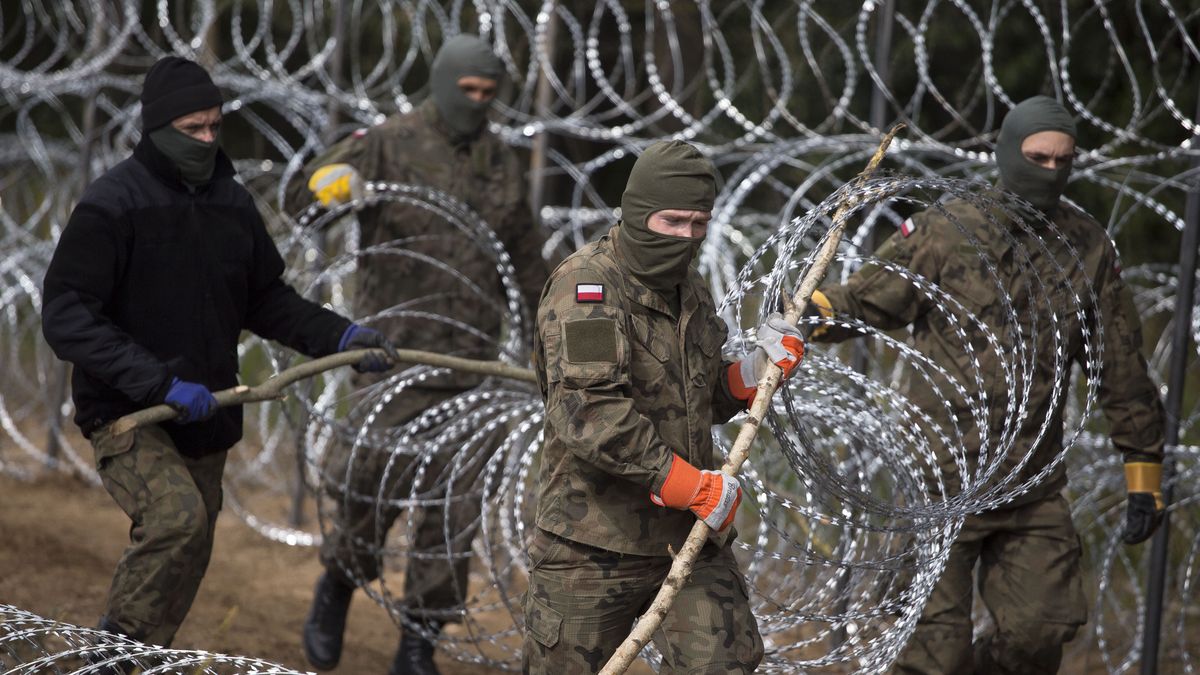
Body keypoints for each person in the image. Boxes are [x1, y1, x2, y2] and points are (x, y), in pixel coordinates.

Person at [40, 56, 396, 654]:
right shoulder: (113, 205)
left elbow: (266, 300)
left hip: (207, 417)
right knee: (177, 523)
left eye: (214, 127)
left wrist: (341, 338)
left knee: (190, 545)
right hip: (131, 415)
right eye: (192, 130)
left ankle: (141, 658)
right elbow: (66, 315)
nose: (206, 140)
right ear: (157, 130)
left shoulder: (231, 204)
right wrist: (157, 383)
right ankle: (111, 658)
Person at [806, 96, 1166, 674]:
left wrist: (1143, 468)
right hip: (942, 484)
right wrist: (809, 312)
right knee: (933, 656)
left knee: (1039, 634)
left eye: (1062, 161)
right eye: (1036, 157)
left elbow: (1120, 365)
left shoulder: (1085, 247)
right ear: (1006, 153)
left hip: (1031, 484)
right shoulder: (948, 231)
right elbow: (871, 298)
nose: (1049, 171)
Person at [290, 35, 550, 675]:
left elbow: (526, 265)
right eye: (469, 92)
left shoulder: (503, 163)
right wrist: (328, 189)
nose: (479, 103)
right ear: (443, 83)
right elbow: (301, 201)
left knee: (452, 512)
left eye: (490, 95)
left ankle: (418, 642)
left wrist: (549, 342)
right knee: (364, 488)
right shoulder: (385, 143)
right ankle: (338, 585)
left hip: (472, 367)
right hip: (393, 358)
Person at [523, 140, 806, 673]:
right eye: (673, 221)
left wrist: (752, 375)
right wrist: (687, 485)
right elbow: (590, 412)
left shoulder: (689, 289)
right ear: (636, 213)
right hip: (593, 543)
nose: (687, 238)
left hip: (687, 536)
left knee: (725, 663)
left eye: (699, 224)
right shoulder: (586, 289)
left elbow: (697, 397)